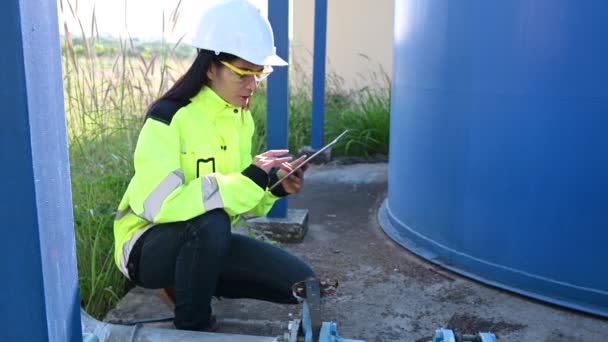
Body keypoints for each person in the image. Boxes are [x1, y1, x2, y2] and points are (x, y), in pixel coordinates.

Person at [112, 0, 315, 332]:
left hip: (206, 242)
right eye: (242, 74)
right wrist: (246, 178)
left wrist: (271, 186)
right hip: (144, 246)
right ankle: (193, 327)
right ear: (210, 67)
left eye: (259, 74)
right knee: (212, 221)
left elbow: (236, 200)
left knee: (305, 284)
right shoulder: (168, 118)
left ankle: (192, 282)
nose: (252, 85)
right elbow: (158, 204)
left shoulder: (240, 120)